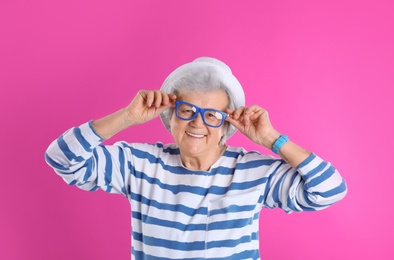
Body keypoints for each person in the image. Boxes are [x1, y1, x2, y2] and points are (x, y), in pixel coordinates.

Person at [45, 57, 347, 259]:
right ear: (170, 116)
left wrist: (270, 138)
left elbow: (329, 191)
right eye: (187, 111)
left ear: (228, 123)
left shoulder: (254, 171)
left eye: (212, 115)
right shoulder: (140, 164)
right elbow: (62, 158)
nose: (197, 124)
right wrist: (127, 117)